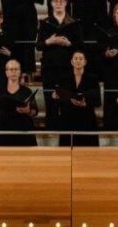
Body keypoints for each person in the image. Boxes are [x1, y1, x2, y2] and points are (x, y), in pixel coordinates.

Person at [37, 0, 82, 130]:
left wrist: (69, 44)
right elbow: (38, 45)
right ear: (51, 4)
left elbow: (80, 46)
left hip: (67, 68)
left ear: (66, 3)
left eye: (61, 1)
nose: (58, 3)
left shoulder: (74, 23)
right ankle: (51, 129)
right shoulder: (45, 23)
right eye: (55, 1)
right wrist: (50, 41)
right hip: (49, 68)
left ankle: (68, 131)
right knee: (50, 100)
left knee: (67, 100)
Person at [55, 50, 101, 147]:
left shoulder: (93, 78)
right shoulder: (63, 78)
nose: (78, 61)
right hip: (68, 119)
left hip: (87, 120)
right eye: (75, 59)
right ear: (72, 61)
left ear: (85, 62)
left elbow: (97, 101)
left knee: (87, 153)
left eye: (81, 59)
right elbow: (59, 100)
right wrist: (69, 100)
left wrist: (85, 104)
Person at [0, 59, 39, 146]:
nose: (13, 72)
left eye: (16, 69)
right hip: (3, 132)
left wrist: (28, 111)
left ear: (20, 72)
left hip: (23, 132)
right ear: (6, 72)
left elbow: (35, 111)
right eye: (11, 69)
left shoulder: (27, 91)